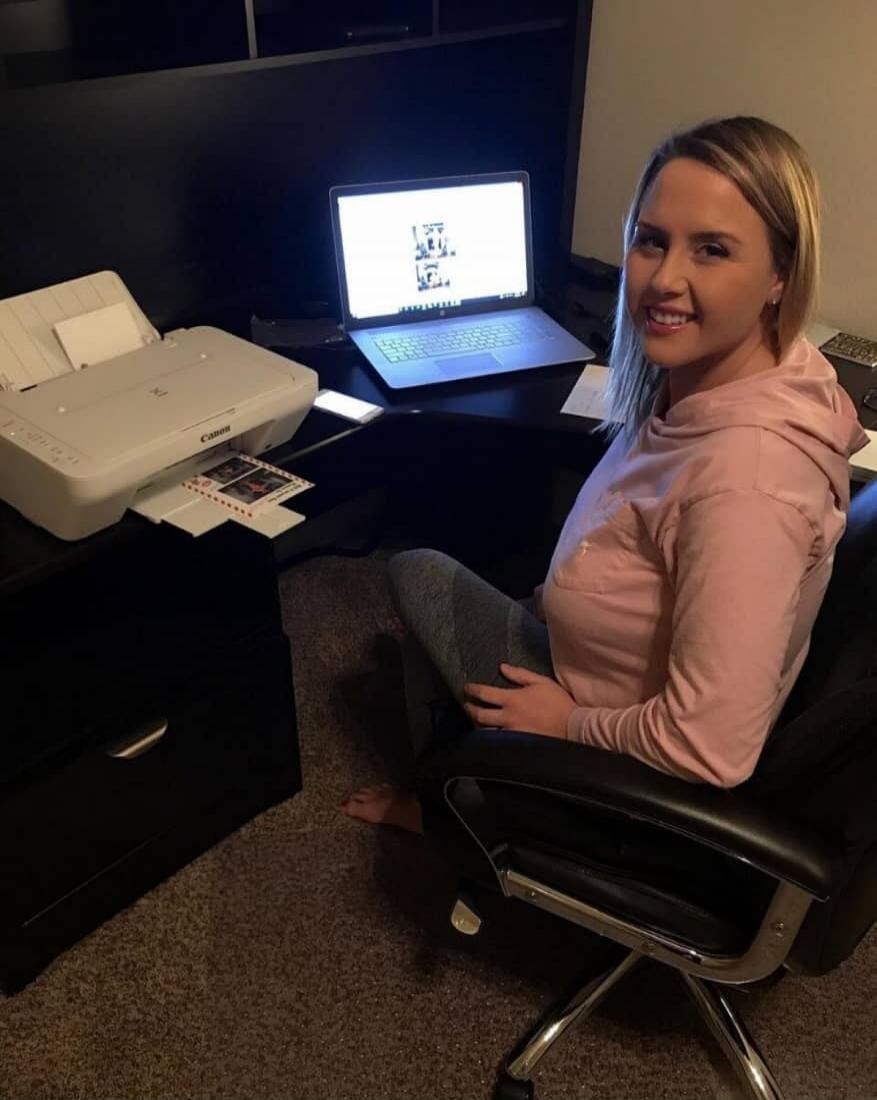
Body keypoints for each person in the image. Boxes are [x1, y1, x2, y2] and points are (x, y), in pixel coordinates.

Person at [340, 115, 869, 833]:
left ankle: (452, 810)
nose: (664, 279)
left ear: (781, 275)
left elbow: (710, 749)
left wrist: (568, 723)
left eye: (712, 250)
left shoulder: (745, 488)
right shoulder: (765, 374)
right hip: (604, 676)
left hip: (623, 763)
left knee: (417, 571)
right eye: (651, 240)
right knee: (447, 584)